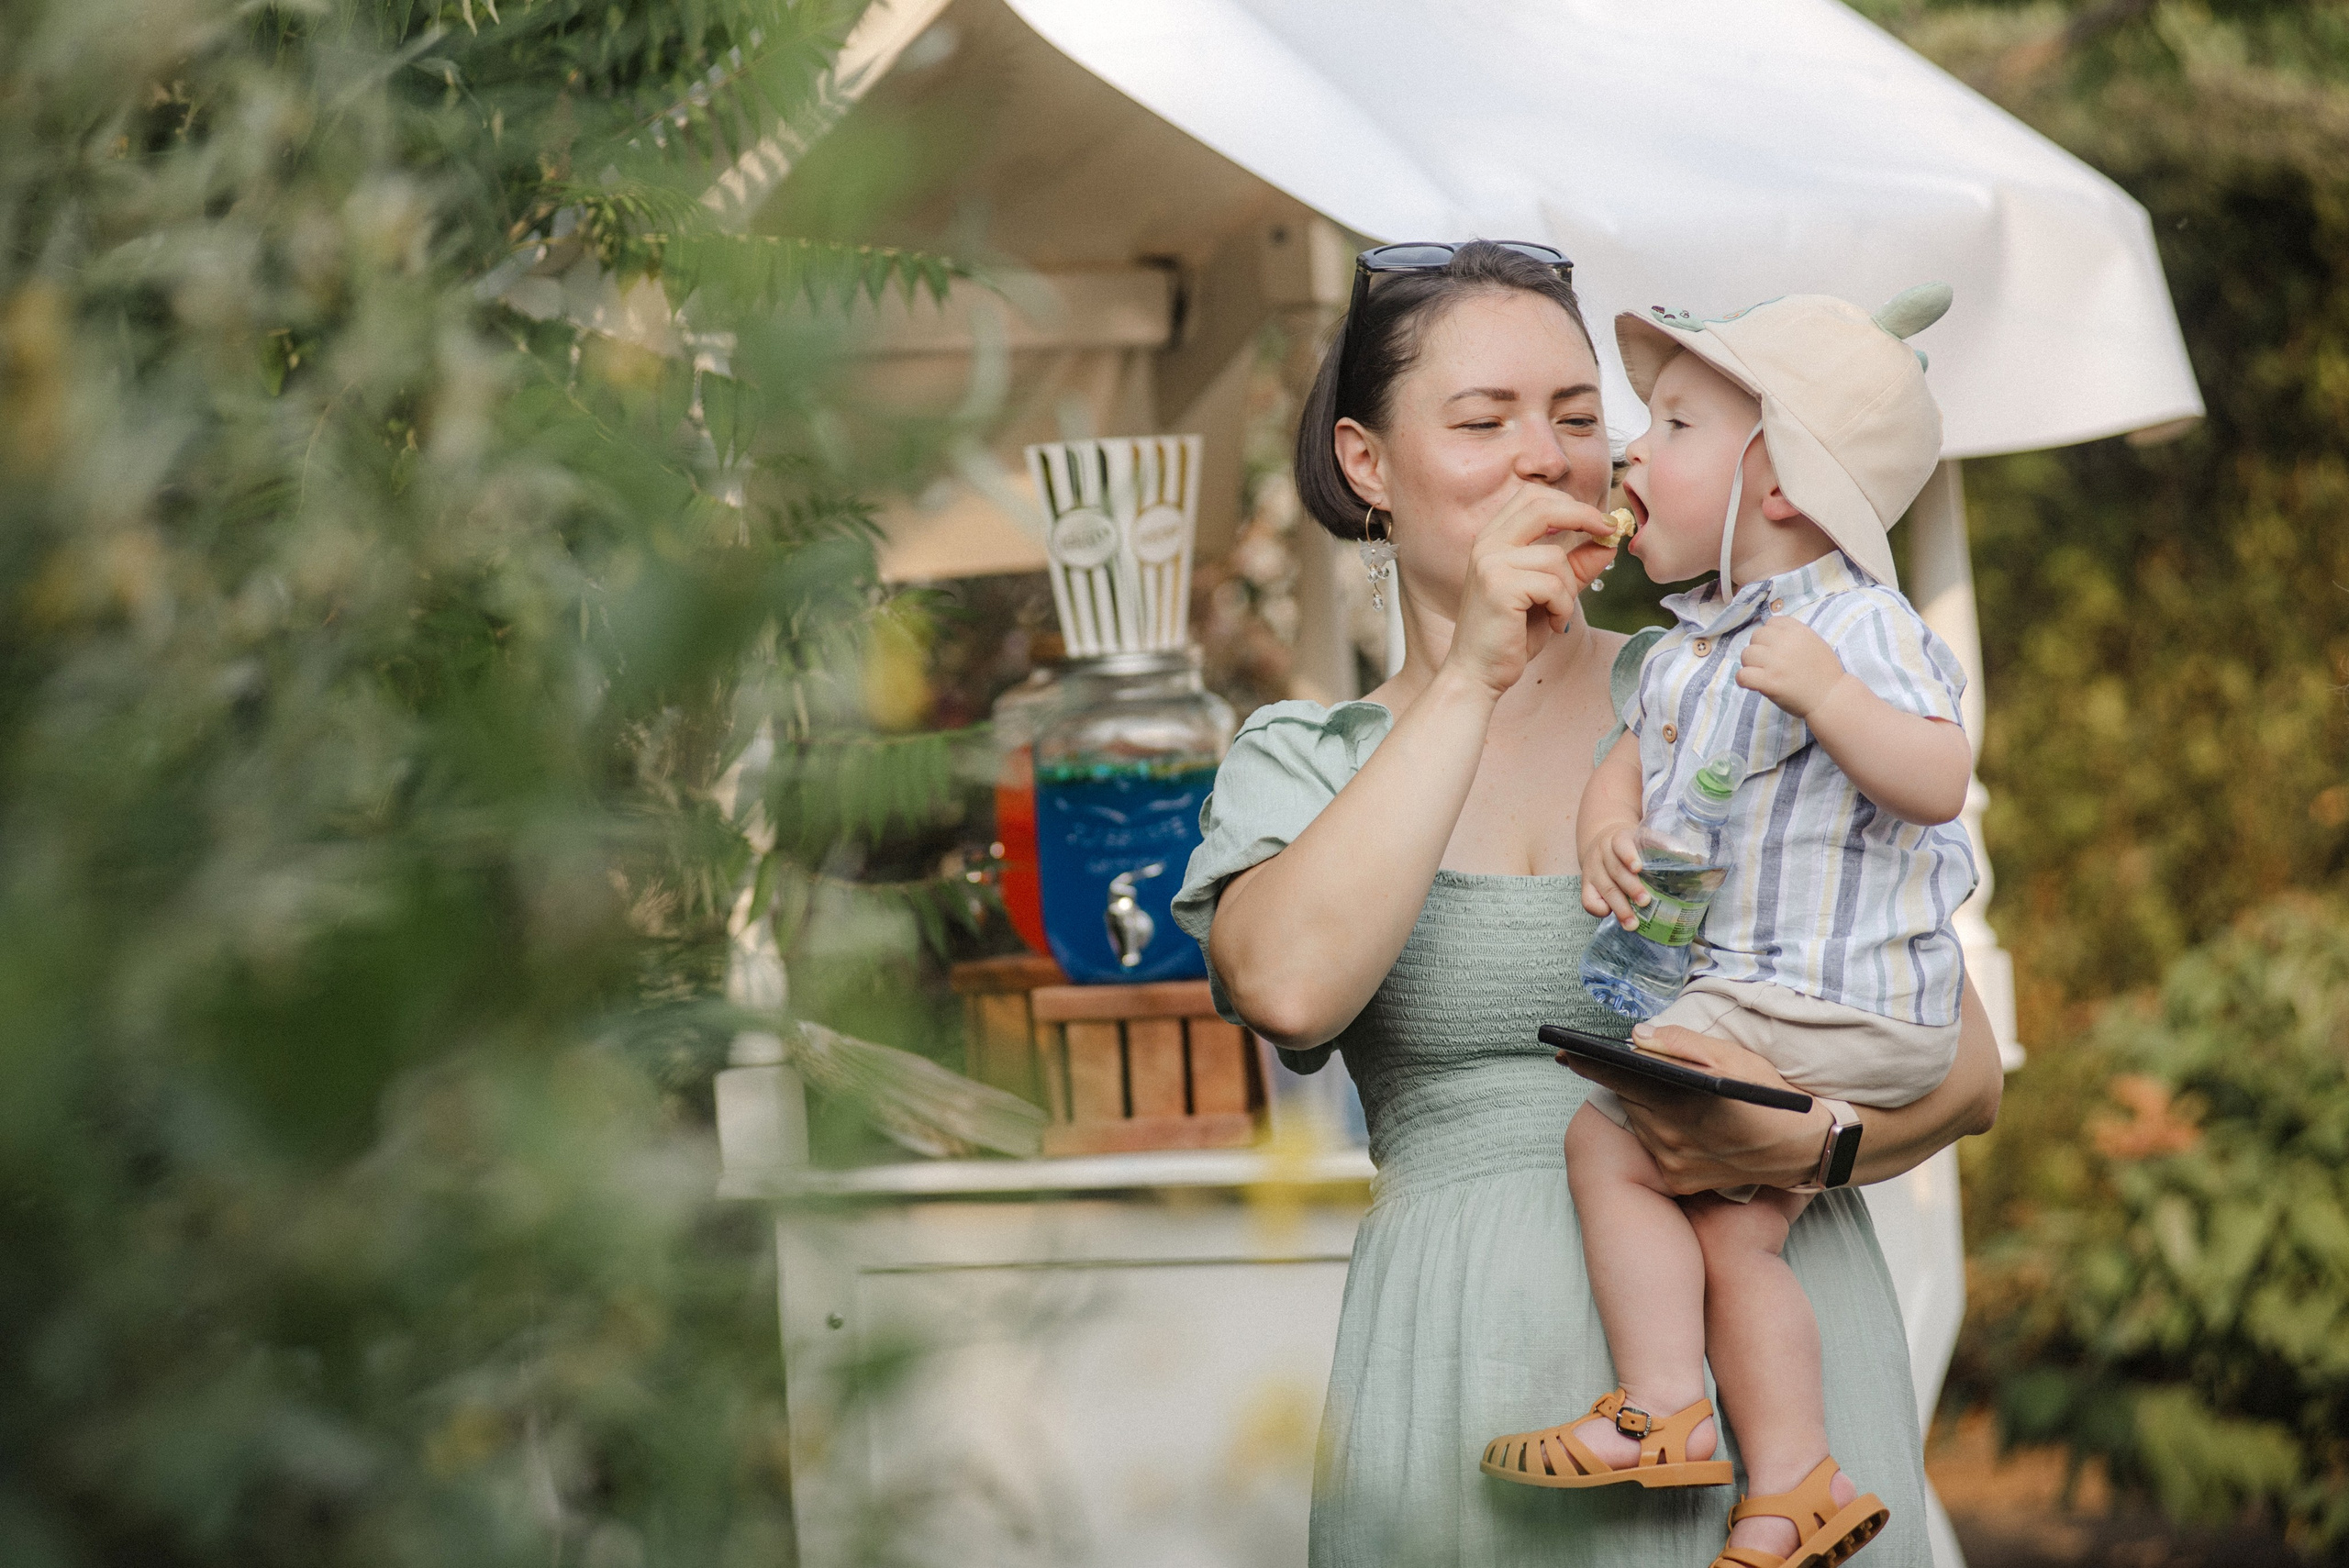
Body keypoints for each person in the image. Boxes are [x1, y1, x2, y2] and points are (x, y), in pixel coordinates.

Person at [1170, 241, 2003, 1567]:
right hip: (1467, 1372)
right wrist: (1469, 681)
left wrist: (1809, 1151)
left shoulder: (1720, 692)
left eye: (1576, 417)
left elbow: (1961, 1065)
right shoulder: (1307, 755)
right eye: (1484, 420)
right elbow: (1288, 989)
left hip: (1774, 1392)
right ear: (1368, 464)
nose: (1545, 459)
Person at [1477, 290, 1977, 1568]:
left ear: (1785, 483)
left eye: (1678, 425)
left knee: (1611, 1138)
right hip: (1770, 1003)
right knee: (1734, 1228)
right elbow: (1633, 758)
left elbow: (1935, 777)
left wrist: (1830, 697)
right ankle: (1794, 1481)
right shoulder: (1693, 644)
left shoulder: (1856, 624)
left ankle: (1663, 1404)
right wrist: (1606, 820)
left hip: (1836, 1003)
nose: (1637, 455)